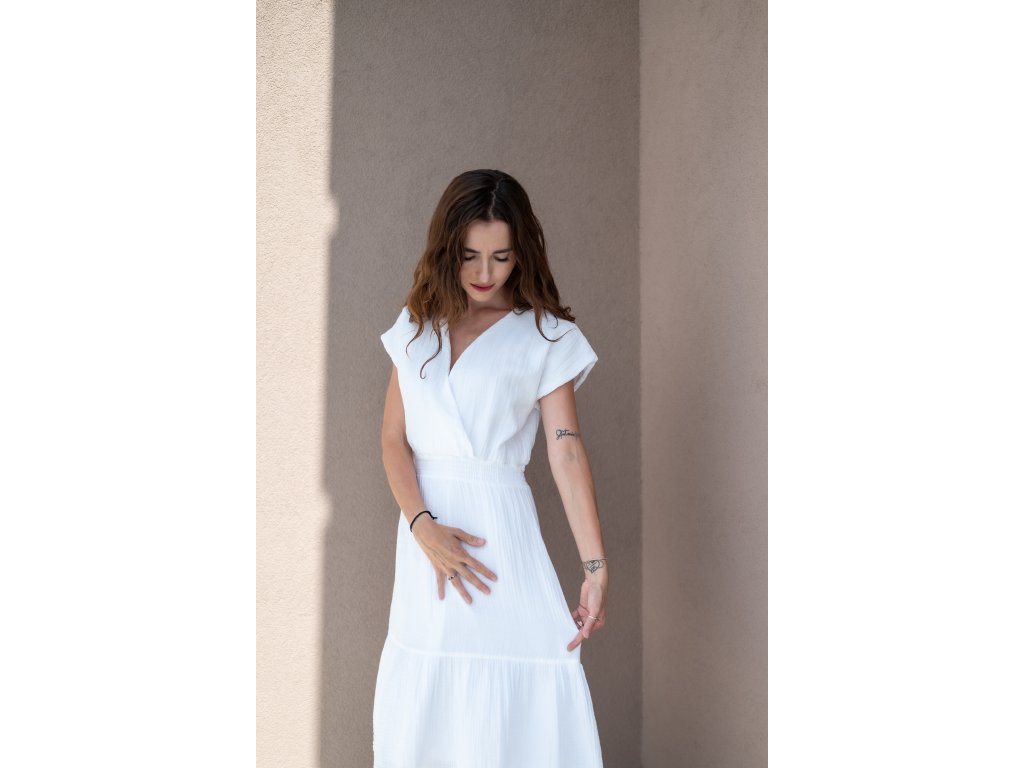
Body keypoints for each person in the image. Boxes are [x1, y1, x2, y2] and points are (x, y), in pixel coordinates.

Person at [372, 169, 608, 766]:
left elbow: (565, 450)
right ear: (446, 249)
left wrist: (595, 566)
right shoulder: (416, 326)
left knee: (526, 685)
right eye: (469, 256)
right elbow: (394, 441)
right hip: (425, 542)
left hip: (504, 540)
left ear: (520, 252)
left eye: (501, 257)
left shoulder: (546, 336)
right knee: (431, 691)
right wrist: (422, 526)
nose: (485, 273)